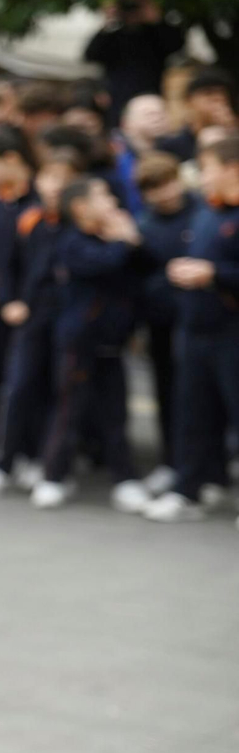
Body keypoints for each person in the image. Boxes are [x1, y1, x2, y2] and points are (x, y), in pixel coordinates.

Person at [0, 141, 81, 499]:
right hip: (29, 318)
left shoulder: (80, 225)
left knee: (58, 394)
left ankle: (48, 465)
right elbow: (9, 265)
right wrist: (9, 300)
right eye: (50, 177)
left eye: (64, 180)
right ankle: (4, 462)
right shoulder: (29, 217)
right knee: (17, 388)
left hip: (68, 320)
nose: (55, 186)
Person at [30, 179, 148, 511]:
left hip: (113, 341)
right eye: (103, 196)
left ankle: (125, 479)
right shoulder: (71, 241)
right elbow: (101, 263)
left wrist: (132, 241)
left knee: (116, 413)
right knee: (69, 410)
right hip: (77, 342)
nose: (112, 201)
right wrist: (124, 240)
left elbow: (144, 266)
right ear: (80, 208)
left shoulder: (114, 240)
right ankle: (53, 476)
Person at [143, 133, 239, 524]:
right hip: (194, 328)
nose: (202, 177)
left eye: (208, 169)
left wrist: (214, 274)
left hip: (232, 332)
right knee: (192, 414)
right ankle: (190, 489)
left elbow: (220, 270)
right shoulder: (204, 212)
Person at [133, 151, 201, 495]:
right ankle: (171, 461)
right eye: (155, 188)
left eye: (169, 182)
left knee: (203, 398)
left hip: (201, 321)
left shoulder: (203, 212)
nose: (166, 193)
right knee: (167, 392)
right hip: (161, 323)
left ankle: (207, 467)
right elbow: (139, 277)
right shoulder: (144, 226)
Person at [84, 0, 185, 124]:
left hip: (150, 93)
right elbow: (90, 55)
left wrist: (156, 19)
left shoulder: (154, 34)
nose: (132, 14)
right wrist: (107, 23)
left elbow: (176, 46)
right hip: (118, 99)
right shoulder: (112, 37)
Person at [157, 68, 236, 163]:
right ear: (189, 102)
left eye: (222, 94)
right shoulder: (171, 146)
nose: (218, 100)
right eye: (208, 94)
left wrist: (231, 131)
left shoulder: (233, 134)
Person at [112, 93, 172, 214]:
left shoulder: (174, 149)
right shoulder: (115, 157)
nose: (158, 118)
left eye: (161, 113)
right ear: (126, 123)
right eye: (149, 114)